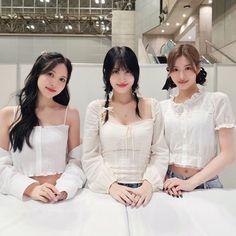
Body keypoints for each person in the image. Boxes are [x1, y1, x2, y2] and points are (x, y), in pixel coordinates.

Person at [82, 46, 169, 208]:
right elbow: (89, 156)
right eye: (115, 72)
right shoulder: (96, 108)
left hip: (145, 193)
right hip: (107, 192)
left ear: (135, 73)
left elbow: (160, 151)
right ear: (107, 74)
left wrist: (149, 184)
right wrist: (111, 186)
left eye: (127, 71)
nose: (122, 78)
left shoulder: (151, 105)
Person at [0, 52, 85, 203]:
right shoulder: (9, 115)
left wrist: (65, 189)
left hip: (60, 198)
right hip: (21, 199)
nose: (55, 83)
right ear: (37, 73)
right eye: (50, 74)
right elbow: (1, 165)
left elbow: (76, 162)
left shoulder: (70, 115)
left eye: (62, 79)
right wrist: (31, 188)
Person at [161, 44, 235, 197]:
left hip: (206, 185)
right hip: (171, 186)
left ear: (198, 67)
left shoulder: (217, 101)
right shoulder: (162, 108)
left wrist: (190, 183)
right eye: (175, 69)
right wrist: (163, 179)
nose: (181, 76)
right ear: (169, 72)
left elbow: (228, 153)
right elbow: (157, 152)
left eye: (188, 68)